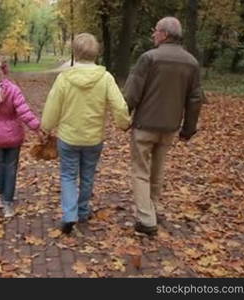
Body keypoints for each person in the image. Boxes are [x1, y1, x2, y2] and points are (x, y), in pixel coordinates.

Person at [41, 33, 131, 234]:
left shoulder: (65, 78)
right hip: (93, 138)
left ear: (75, 52)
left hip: (68, 137)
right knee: (88, 176)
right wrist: (124, 123)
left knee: (68, 175)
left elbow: (53, 105)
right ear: (96, 53)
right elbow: (119, 105)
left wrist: (46, 126)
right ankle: (82, 211)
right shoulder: (105, 78)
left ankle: (69, 214)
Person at [123, 17, 202, 236]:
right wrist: (188, 128)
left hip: (145, 125)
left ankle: (146, 219)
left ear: (165, 35)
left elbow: (132, 92)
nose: (153, 34)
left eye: (155, 31)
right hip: (170, 127)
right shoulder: (191, 62)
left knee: (141, 171)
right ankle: (153, 206)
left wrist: (124, 115)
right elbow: (195, 99)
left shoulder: (149, 58)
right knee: (158, 168)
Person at [0, 54, 41, 218]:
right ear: (6, 68)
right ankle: (8, 205)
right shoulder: (13, 89)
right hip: (13, 135)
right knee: (11, 168)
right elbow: (24, 112)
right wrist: (37, 128)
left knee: (1, 165)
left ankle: (0, 197)